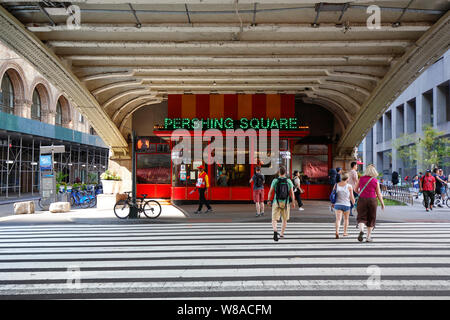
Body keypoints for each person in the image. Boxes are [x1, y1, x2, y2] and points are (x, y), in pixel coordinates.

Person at [355, 164, 385, 243]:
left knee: (361, 217)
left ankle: (361, 230)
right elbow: (378, 194)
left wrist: (360, 193)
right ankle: (368, 237)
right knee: (371, 218)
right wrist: (382, 203)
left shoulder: (361, 179)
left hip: (362, 199)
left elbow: (355, 189)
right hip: (372, 200)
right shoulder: (375, 181)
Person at [267, 166, 295, 242]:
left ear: (279, 172)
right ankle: (282, 234)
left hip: (276, 202)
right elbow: (292, 193)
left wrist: (268, 200)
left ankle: (275, 230)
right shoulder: (289, 181)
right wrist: (293, 202)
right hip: (286, 203)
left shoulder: (275, 180)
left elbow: (270, 192)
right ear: (285, 173)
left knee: (274, 219)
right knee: (284, 219)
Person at [332, 171, 355, 239]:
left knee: (338, 219)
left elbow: (333, 195)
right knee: (346, 219)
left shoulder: (336, 185)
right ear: (347, 178)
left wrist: (332, 203)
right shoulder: (349, 186)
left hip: (338, 204)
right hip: (346, 205)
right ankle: (345, 232)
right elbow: (351, 197)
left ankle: (337, 231)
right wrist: (355, 205)